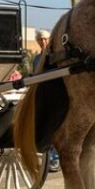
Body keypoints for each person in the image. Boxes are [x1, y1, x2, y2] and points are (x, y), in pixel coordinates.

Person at [33, 29, 60, 172]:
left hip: (53, 95)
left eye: (45, 39)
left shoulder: (54, 56)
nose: (42, 42)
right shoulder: (36, 59)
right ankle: (46, 158)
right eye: (40, 39)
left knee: (54, 128)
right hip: (40, 95)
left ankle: (54, 159)